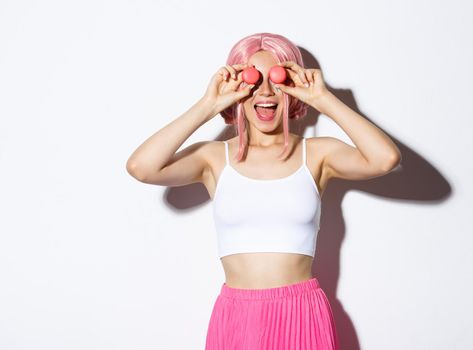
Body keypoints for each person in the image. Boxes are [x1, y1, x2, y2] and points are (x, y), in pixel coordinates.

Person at [126, 32, 401, 350]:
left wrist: (324, 100)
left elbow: (385, 159)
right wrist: (207, 105)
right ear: (236, 88)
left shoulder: (317, 154)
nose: (266, 92)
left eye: (276, 79)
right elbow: (141, 167)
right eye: (253, 81)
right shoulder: (214, 158)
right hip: (237, 316)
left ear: (292, 87)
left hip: (301, 313)